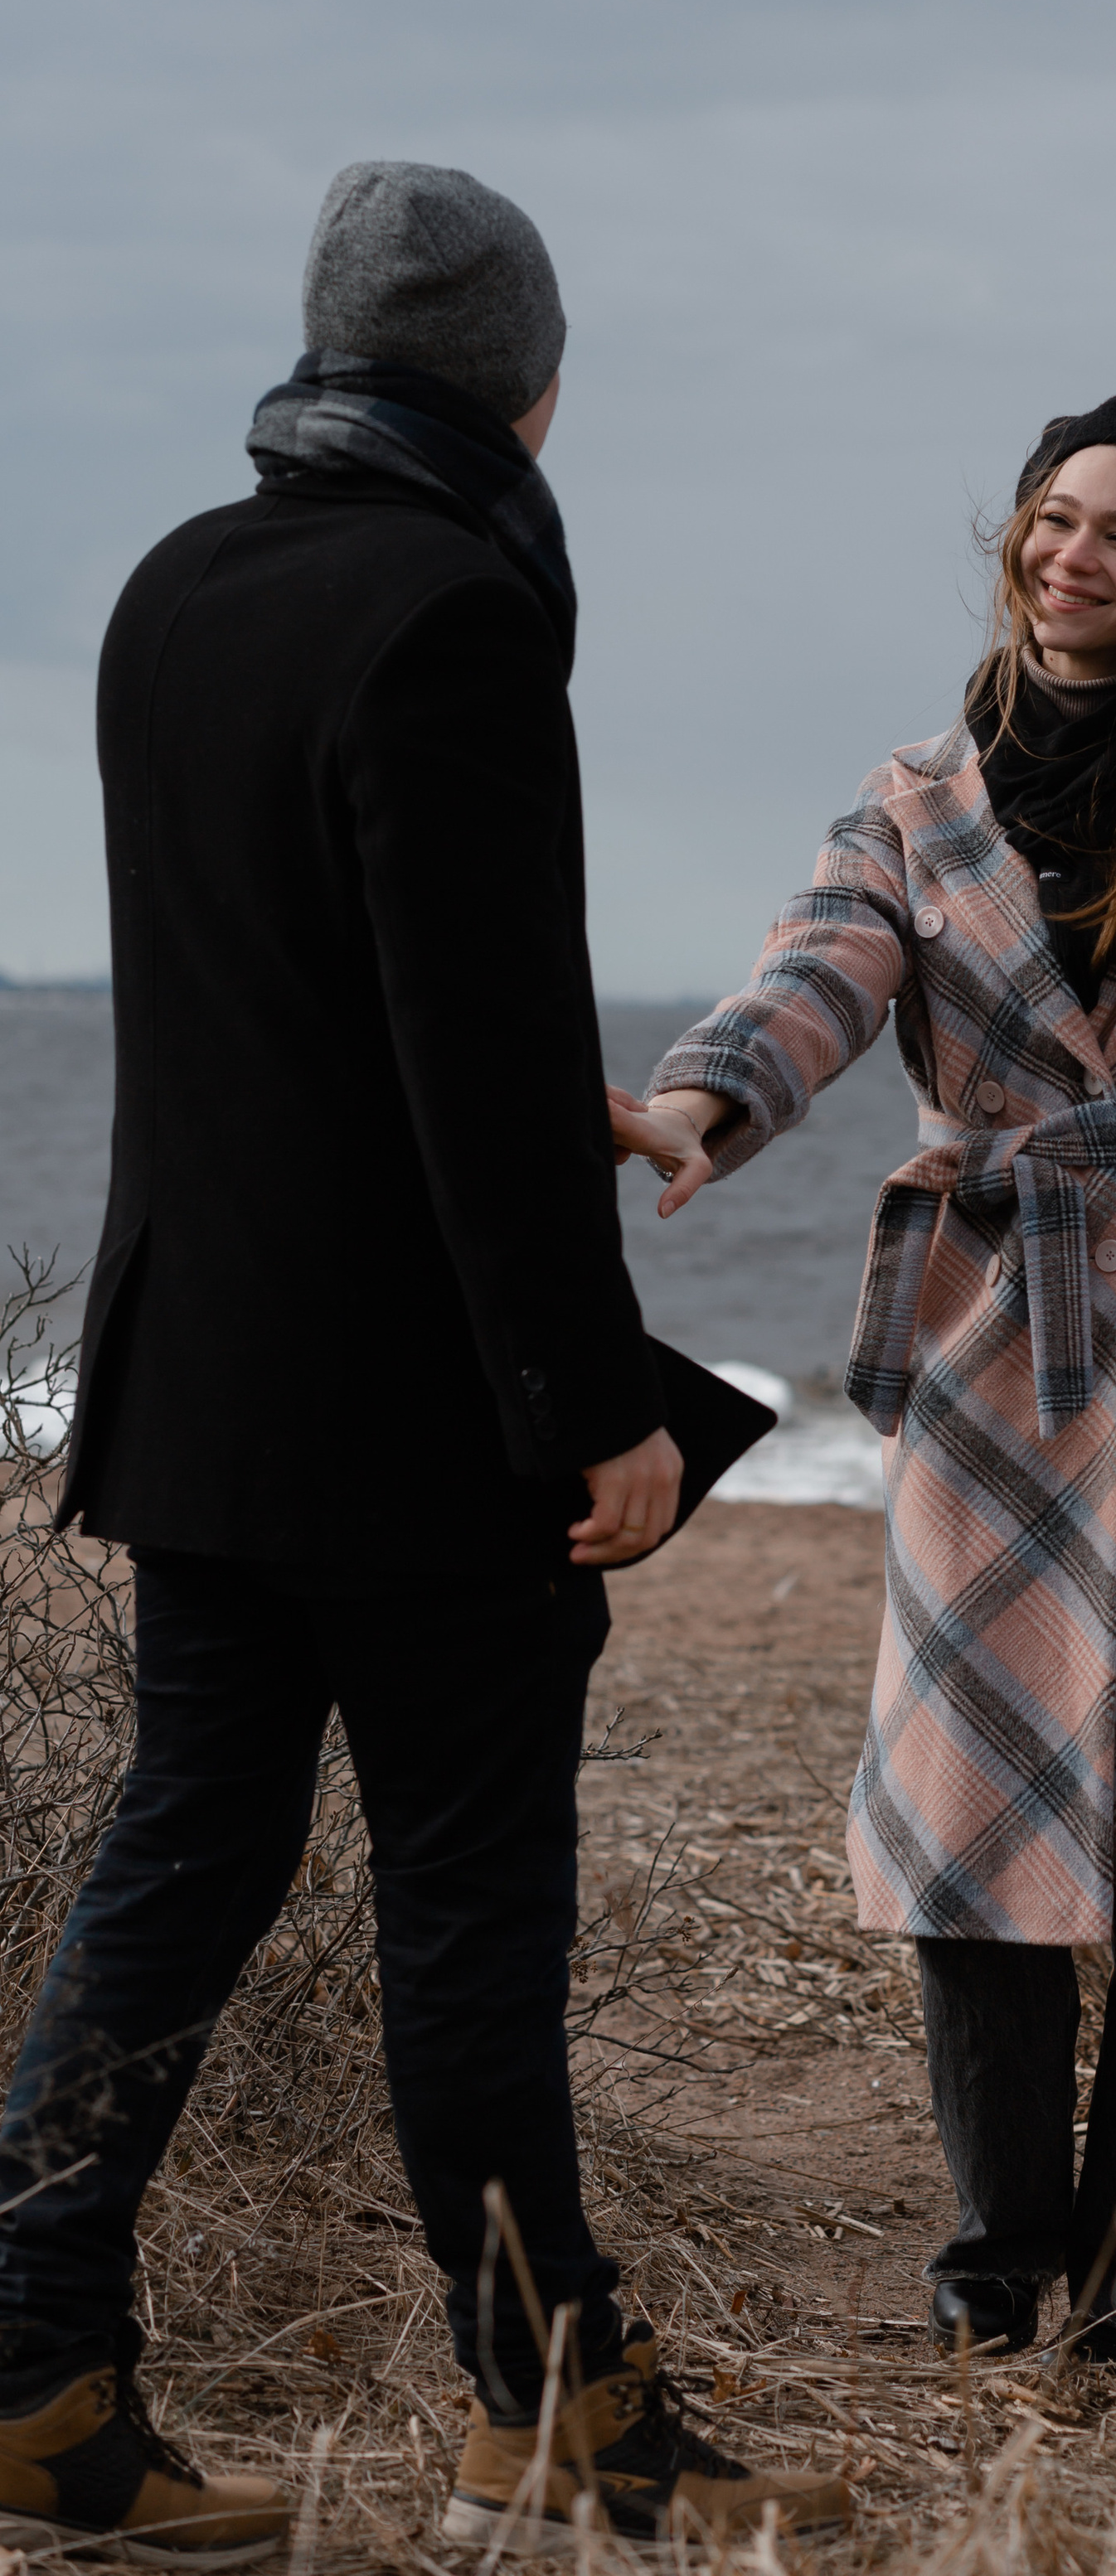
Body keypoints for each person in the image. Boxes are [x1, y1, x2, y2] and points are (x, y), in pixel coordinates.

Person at [0, 166, 845, 2559]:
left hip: (200, 1388)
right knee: (471, 1917)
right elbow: (464, 1057)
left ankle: (38, 2362)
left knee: (179, 1870)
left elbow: (279, 996)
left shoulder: (172, 589)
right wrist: (595, 1407)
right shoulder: (458, 610)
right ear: (528, 388)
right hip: (414, 1425)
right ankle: (553, 2410)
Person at [611, 394, 1116, 2373]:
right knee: (974, 1820)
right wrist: (703, 1101)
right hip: (999, 1333)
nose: (1068, 556)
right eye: (1051, 520)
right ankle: (996, 2283)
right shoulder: (915, 796)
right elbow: (821, 973)